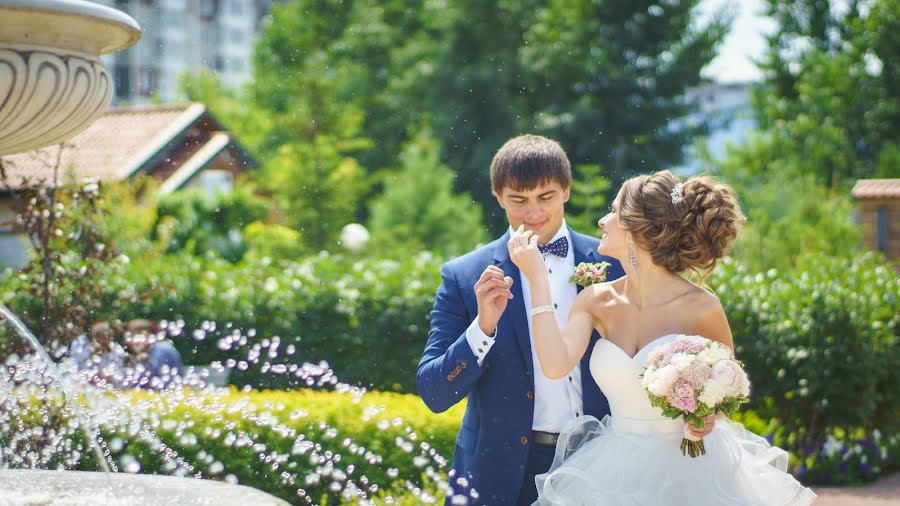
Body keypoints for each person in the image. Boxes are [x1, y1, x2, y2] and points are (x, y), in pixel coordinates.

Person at [507, 170, 816, 505]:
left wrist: (706, 419)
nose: (602, 220)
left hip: (691, 470)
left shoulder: (702, 307)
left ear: (636, 228)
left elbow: (727, 391)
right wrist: (536, 277)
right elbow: (554, 365)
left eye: (613, 211)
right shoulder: (596, 301)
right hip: (612, 470)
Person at [418, 135, 644, 505]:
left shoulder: (615, 264)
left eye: (546, 197)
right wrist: (483, 328)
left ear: (566, 191)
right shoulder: (464, 276)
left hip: (602, 462)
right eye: (519, 200)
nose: (533, 212)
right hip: (499, 473)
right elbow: (434, 392)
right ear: (498, 196)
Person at [123, 319, 183, 389]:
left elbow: (150, 378)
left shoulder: (161, 349)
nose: (130, 342)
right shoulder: (154, 349)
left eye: (133, 335)